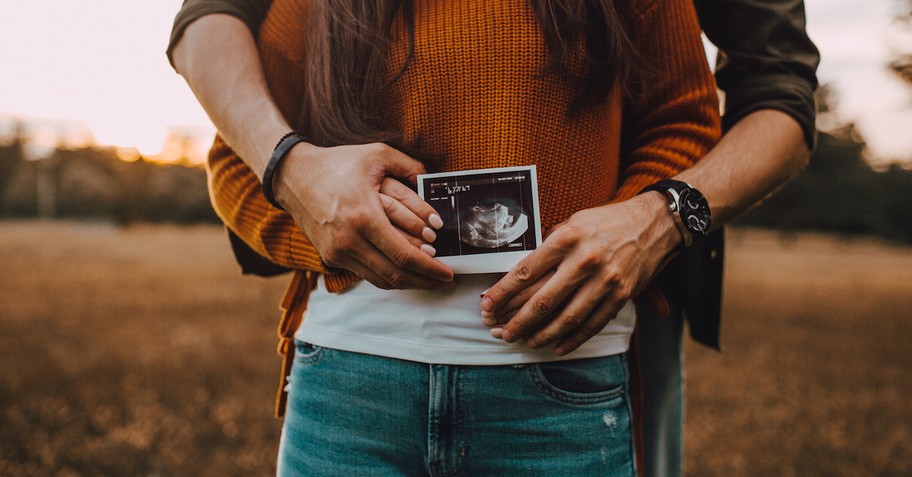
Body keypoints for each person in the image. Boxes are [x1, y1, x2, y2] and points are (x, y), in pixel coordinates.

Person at [168, 0, 816, 475]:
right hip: (348, 384)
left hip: (562, 382)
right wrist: (311, 204)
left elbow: (686, 118)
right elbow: (238, 155)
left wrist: (641, 221)